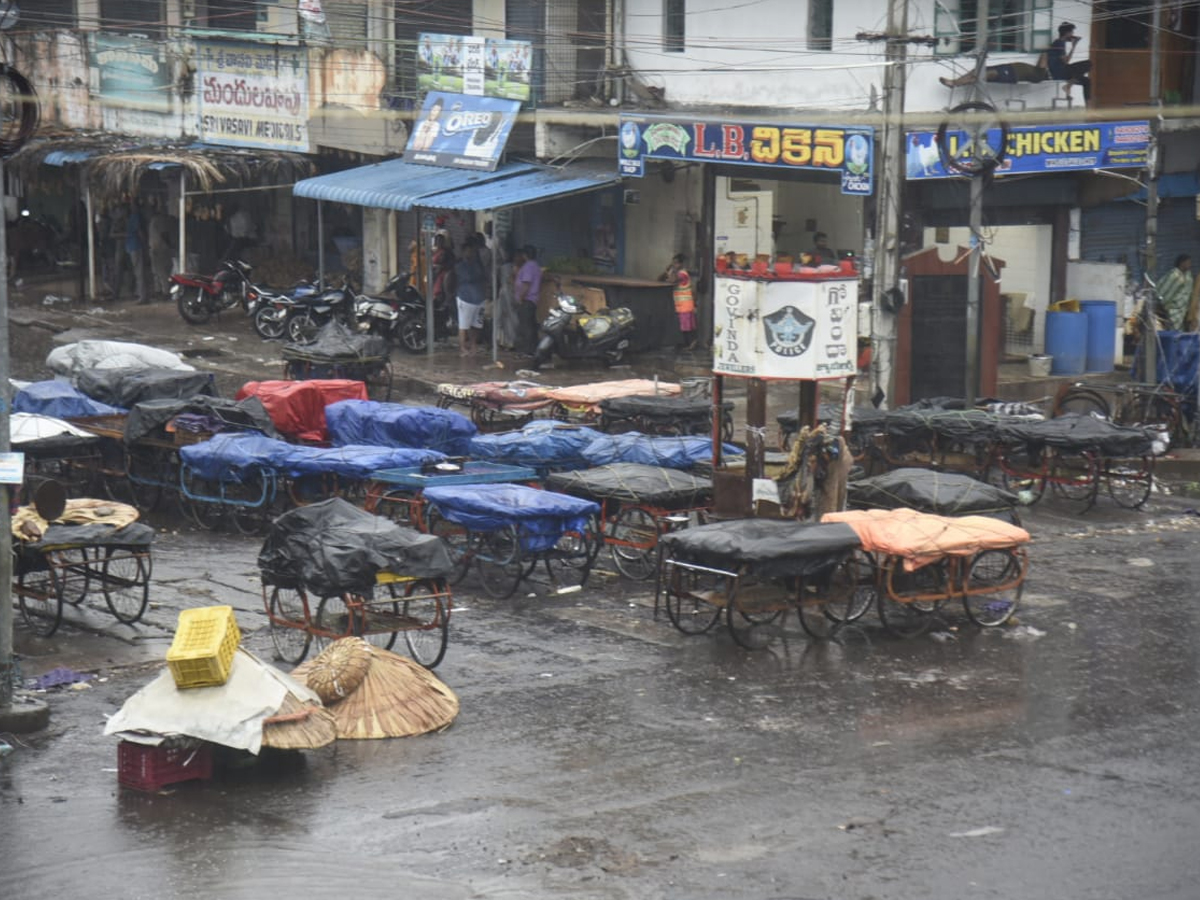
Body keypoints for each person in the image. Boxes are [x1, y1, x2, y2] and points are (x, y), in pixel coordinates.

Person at [939, 55, 1049, 90]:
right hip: (1009, 67)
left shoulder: (1039, 75)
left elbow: (1043, 61)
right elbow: (1042, 60)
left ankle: (955, 83)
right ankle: (955, 82)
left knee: (987, 74)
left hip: (1012, 74)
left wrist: (1048, 51)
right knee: (977, 71)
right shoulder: (1038, 71)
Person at [454, 238, 487, 356]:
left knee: (476, 324)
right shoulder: (460, 266)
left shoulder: (478, 264)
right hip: (465, 297)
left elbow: (483, 277)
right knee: (464, 324)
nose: (470, 253)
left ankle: (473, 345)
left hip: (479, 298)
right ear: (463, 252)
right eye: (468, 251)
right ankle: (462, 347)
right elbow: (466, 278)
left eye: (472, 251)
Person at [1047, 21, 1091, 103]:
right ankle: (1068, 86)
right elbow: (1066, 61)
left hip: (1063, 70)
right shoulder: (1058, 43)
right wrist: (1074, 46)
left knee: (1087, 81)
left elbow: (1066, 61)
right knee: (1088, 63)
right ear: (1067, 33)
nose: (1072, 34)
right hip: (1059, 72)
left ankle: (1088, 110)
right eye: (1072, 32)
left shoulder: (1061, 43)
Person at [660, 252, 696, 351]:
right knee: (681, 325)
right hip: (679, 304)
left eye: (676, 263)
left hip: (685, 304)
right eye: (673, 263)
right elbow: (661, 279)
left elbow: (672, 280)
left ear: (681, 264)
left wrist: (672, 271)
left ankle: (692, 342)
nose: (674, 265)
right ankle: (685, 343)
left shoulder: (682, 274)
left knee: (686, 325)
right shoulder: (675, 272)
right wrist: (666, 271)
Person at [513, 244, 542, 356]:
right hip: (532, 300)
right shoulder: (535, 265)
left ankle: (527, 350)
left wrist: (521, 297)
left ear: (525, 255)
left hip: (527, 300)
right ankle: (531, 349)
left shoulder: (529, 266)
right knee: (529, 325)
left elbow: (526, 283)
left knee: (526, 326)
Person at [1156, 254, 1193, 331]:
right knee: (1174, 331)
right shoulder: (1174, 275)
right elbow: (1163, 291)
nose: (1190, 265)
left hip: (1183, 311)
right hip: (1173, 311)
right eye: (1188, 262)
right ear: (1182, 263)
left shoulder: (1188, 276)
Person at [148, 206, 177, 301]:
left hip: (158, 248)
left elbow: (163, 234)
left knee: (160, 272)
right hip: (159, 248)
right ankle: (163, 292)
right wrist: (170, 245)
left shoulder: (156, 220)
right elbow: (164, 234)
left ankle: (164, 292)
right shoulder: (158, 220)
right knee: (161, 272)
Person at [123, 200, 148, 305]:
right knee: (139, 272)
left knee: (137, 272)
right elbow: (139, 231)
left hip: (131, 246)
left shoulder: (130, 218)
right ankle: (142, 296)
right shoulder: (135, 217)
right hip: (135, 246)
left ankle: (140, 295)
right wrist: (145, 243)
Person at [431, 230, 456, 309]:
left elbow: (444, 263)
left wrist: (438, 267)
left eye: (440, 241)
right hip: (435, 274)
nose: (439, 243)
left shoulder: (445, 252)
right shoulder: (435, 251)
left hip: (443, 274)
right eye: (437, 241)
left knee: (440, 291)